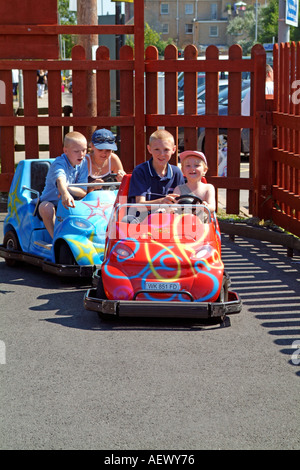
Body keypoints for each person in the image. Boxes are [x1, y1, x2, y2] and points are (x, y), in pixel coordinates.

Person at [38, 131, 88, 238]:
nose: (81, 154)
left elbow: (83, 191)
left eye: (84, 150)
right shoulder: (59, 163)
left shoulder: (84, 162)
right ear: (65, 151)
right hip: (52, 202)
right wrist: (64, 192)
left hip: (70, 202)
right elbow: (60, 180)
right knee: (46, 208)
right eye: (76, 151)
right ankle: (55, 238)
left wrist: (66, 189)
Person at [128, 129, 185, 204]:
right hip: (143, 215)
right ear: (149, 149)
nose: (162, 154)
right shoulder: (140, 171)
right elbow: (139, 204)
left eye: (166, 150)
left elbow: (182, 201)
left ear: (173, 150)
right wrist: (162, 202)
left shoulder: (176, 172)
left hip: (170, 214)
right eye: (157, 149)